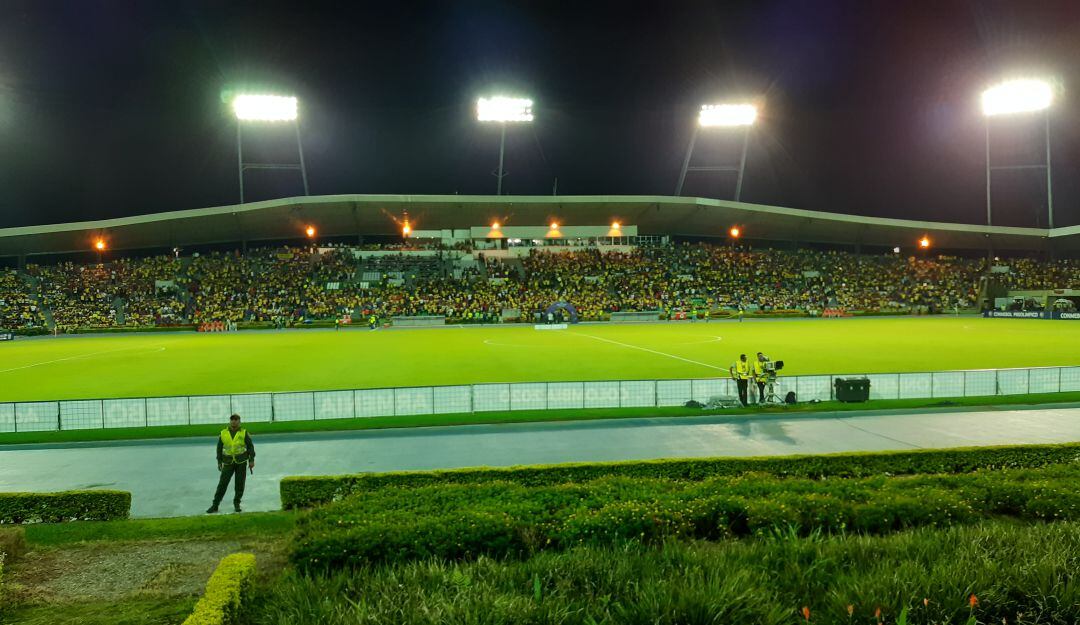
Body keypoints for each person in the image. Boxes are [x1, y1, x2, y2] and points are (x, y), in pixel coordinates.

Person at [206, 414, 255, 514]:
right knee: (222, 484)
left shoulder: (244, 433)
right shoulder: (223, 433)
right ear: (230, 421)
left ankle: (237, 503)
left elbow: (250, 447)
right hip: (227, 462)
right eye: (232, 419)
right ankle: (215, 505)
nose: (234, 421)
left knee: (239, 484)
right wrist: (219, 461)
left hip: (241, 462)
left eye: (236, 420)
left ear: (239, 421)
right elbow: (219, 448)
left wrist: (251, 460)